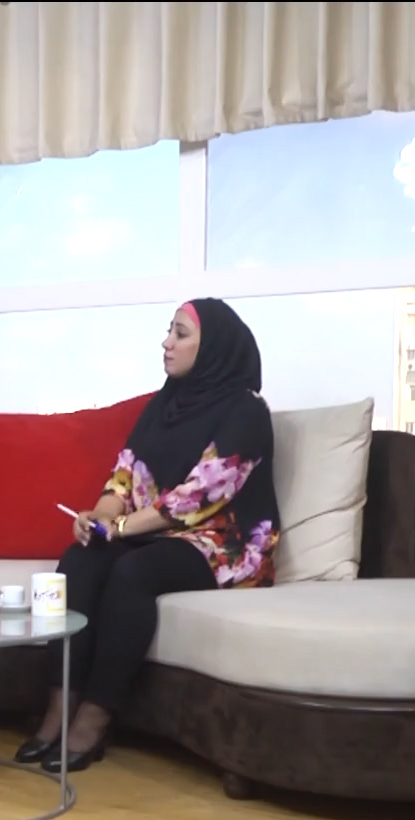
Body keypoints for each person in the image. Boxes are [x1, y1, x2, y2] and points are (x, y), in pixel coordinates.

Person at [16, 297, 280, 774]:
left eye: (180, 333)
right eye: (168, 331)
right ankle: (59, 707)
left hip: (222, 545)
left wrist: (120, 528)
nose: (166, 342)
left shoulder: (247, 411)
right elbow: (125, 475)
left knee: (134, 572)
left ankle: (95, 718)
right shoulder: (165, 403)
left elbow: (199, 496)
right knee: (79, 559)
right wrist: (98, 518)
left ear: (212, 347)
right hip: (155, 533)